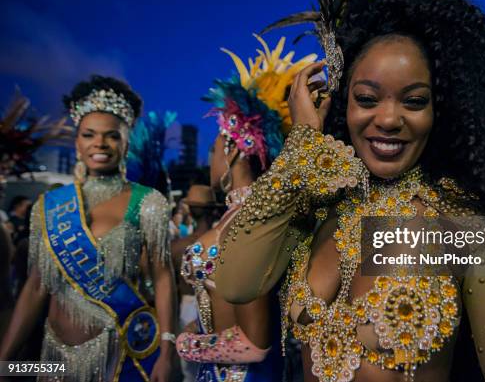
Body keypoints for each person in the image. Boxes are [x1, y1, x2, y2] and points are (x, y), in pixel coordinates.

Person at [215, 0, 485, 381]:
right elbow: (234, 283)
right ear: (338, 104)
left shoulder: (458, 225)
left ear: (441, 111)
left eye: (414, 101)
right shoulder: (313, 207)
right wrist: (300, 150)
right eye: (366, 99)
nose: (387, 119)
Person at [0, 75, 177, 382]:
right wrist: (5, 359)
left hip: (119, 354)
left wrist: (167, 351)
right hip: (53, 359)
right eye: (89, 135)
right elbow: (36, 287)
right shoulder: (49, 205)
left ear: (126, 141)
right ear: (77, 141)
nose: (100, 144)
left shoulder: (148, 202)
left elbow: (163, 278)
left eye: (112, 136)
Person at [175, 35, 317, 382]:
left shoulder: (254, 221)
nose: (210, 162)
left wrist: (184, 344)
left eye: (212, 151)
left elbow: (255, 343)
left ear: (233, 149)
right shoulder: (247, 216)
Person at [171, 184, 224, 381]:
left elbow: (170, 288)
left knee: (190, 371)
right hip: (217, 306)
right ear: (214, 211)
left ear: (190, 212)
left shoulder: (177, 247)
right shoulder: (223, 244)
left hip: (186, 308)